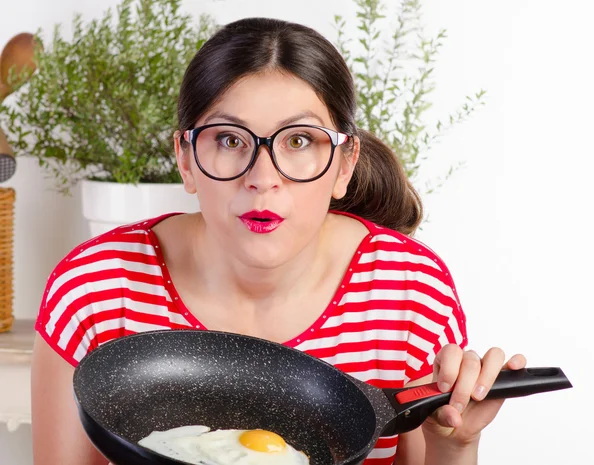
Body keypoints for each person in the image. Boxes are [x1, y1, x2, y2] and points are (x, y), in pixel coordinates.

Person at [30, 17, 526, 465]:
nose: (263, 178)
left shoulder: (408, 293)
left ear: (344, 165)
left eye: (299, 141)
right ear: (184, 158)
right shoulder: (95, 286)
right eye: (228, 139)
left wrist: (455, 443)